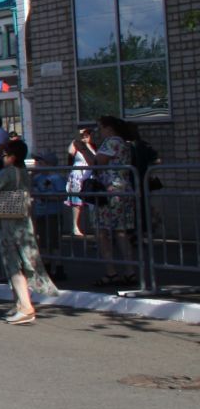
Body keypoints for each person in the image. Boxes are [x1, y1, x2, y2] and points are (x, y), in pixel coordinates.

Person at [0, 138, 59, 325]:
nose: (2, 157)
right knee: (21, 262)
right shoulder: (23, 172)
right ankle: (19, 304)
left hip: (9, 223)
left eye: (5, 154)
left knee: (13, 263)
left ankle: (25, 306)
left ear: (12, 156)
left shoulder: (8, 172)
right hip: (22, 221)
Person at [73, 116, 139, 287]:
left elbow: (97, 163)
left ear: (108, 128)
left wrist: (83, 149)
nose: (98, 132)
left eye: (100, 128)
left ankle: (111, 272)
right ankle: (129, 271)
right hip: (122, 189)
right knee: (121, 231)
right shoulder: (123, 142)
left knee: (103, 232)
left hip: (108, 192)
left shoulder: (111, 142)